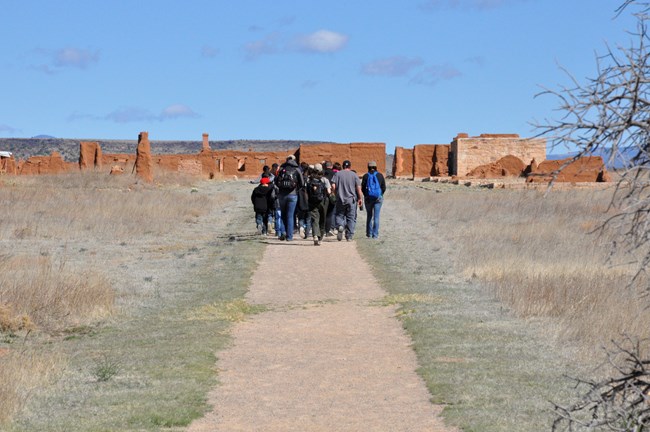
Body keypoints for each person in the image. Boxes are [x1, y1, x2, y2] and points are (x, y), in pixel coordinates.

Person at [330, 160, 363, 241]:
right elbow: (358, 188)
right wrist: (360, 198)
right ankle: (349, 236)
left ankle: (340, 226)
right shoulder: (354, 175)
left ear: (343, 166)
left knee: (339, 215)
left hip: (340, 199)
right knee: (350, 218)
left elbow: (333, 186)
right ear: (350, 167)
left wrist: (334, 194)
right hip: (351, 200)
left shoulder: (338, 174)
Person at [275, 155, 304, 241]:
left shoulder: (281, 169)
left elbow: (276, 182)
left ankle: (283, 232)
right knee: (290, 216)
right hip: (293, 195)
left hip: (282, 195)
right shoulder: (297, 170)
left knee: (283, 215)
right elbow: (302, 183)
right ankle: (289, 236)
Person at [306, 163, 332, 245]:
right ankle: (320, 237)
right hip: (323, 201)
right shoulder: (324, 180)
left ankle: (315, 236)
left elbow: (306, 191)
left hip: (312, 201)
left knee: (314, 219)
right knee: (322, 219)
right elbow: (329, 191)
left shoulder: (309, 179)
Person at [361, 160, 386, 239]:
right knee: (376, 216)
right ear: (376, 167)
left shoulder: (365, 176)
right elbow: (383, 187)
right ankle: (375, 235)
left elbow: (363, 188)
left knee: (369, 216)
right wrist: (380, 195)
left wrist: (366, 196)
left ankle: (369, 234)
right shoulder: (380, 175)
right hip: (378, 199)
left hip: (368, 198)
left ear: (368, 167)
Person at [322, 161, 337, 235]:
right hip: (332, 195)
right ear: (331, 166)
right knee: (330, 213)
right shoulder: (335, 174)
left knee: (323, 213)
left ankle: (323, 229)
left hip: (322, 195)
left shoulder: (323, 173)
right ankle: (328, 229)